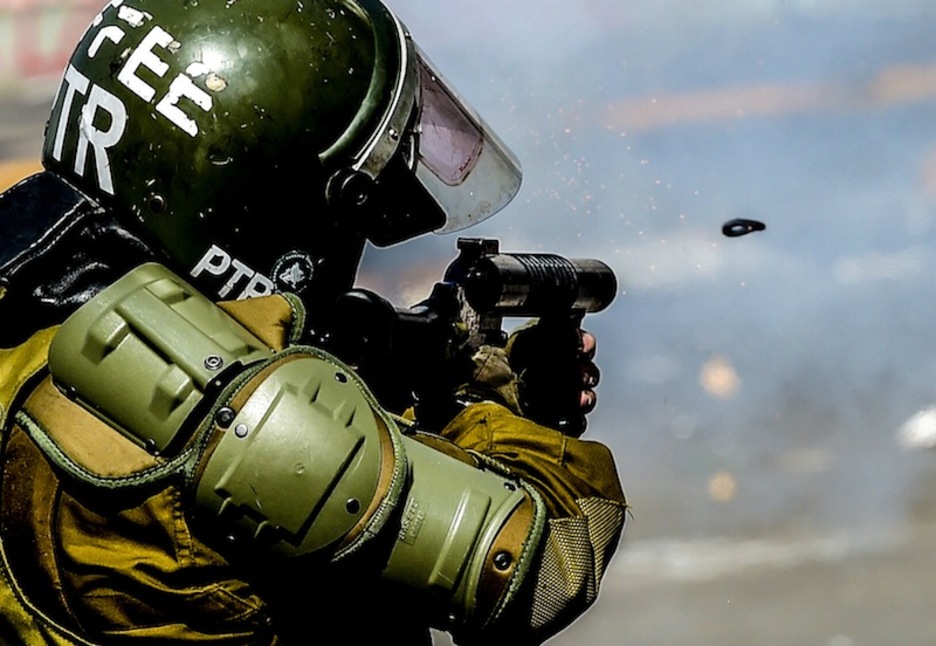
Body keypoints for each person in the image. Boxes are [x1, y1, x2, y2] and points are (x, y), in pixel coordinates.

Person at [0, 1, 627, 644]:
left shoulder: (29, 300)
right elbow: (542, 570)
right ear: (265, 205)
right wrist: (490, 411)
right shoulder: (230, 423)